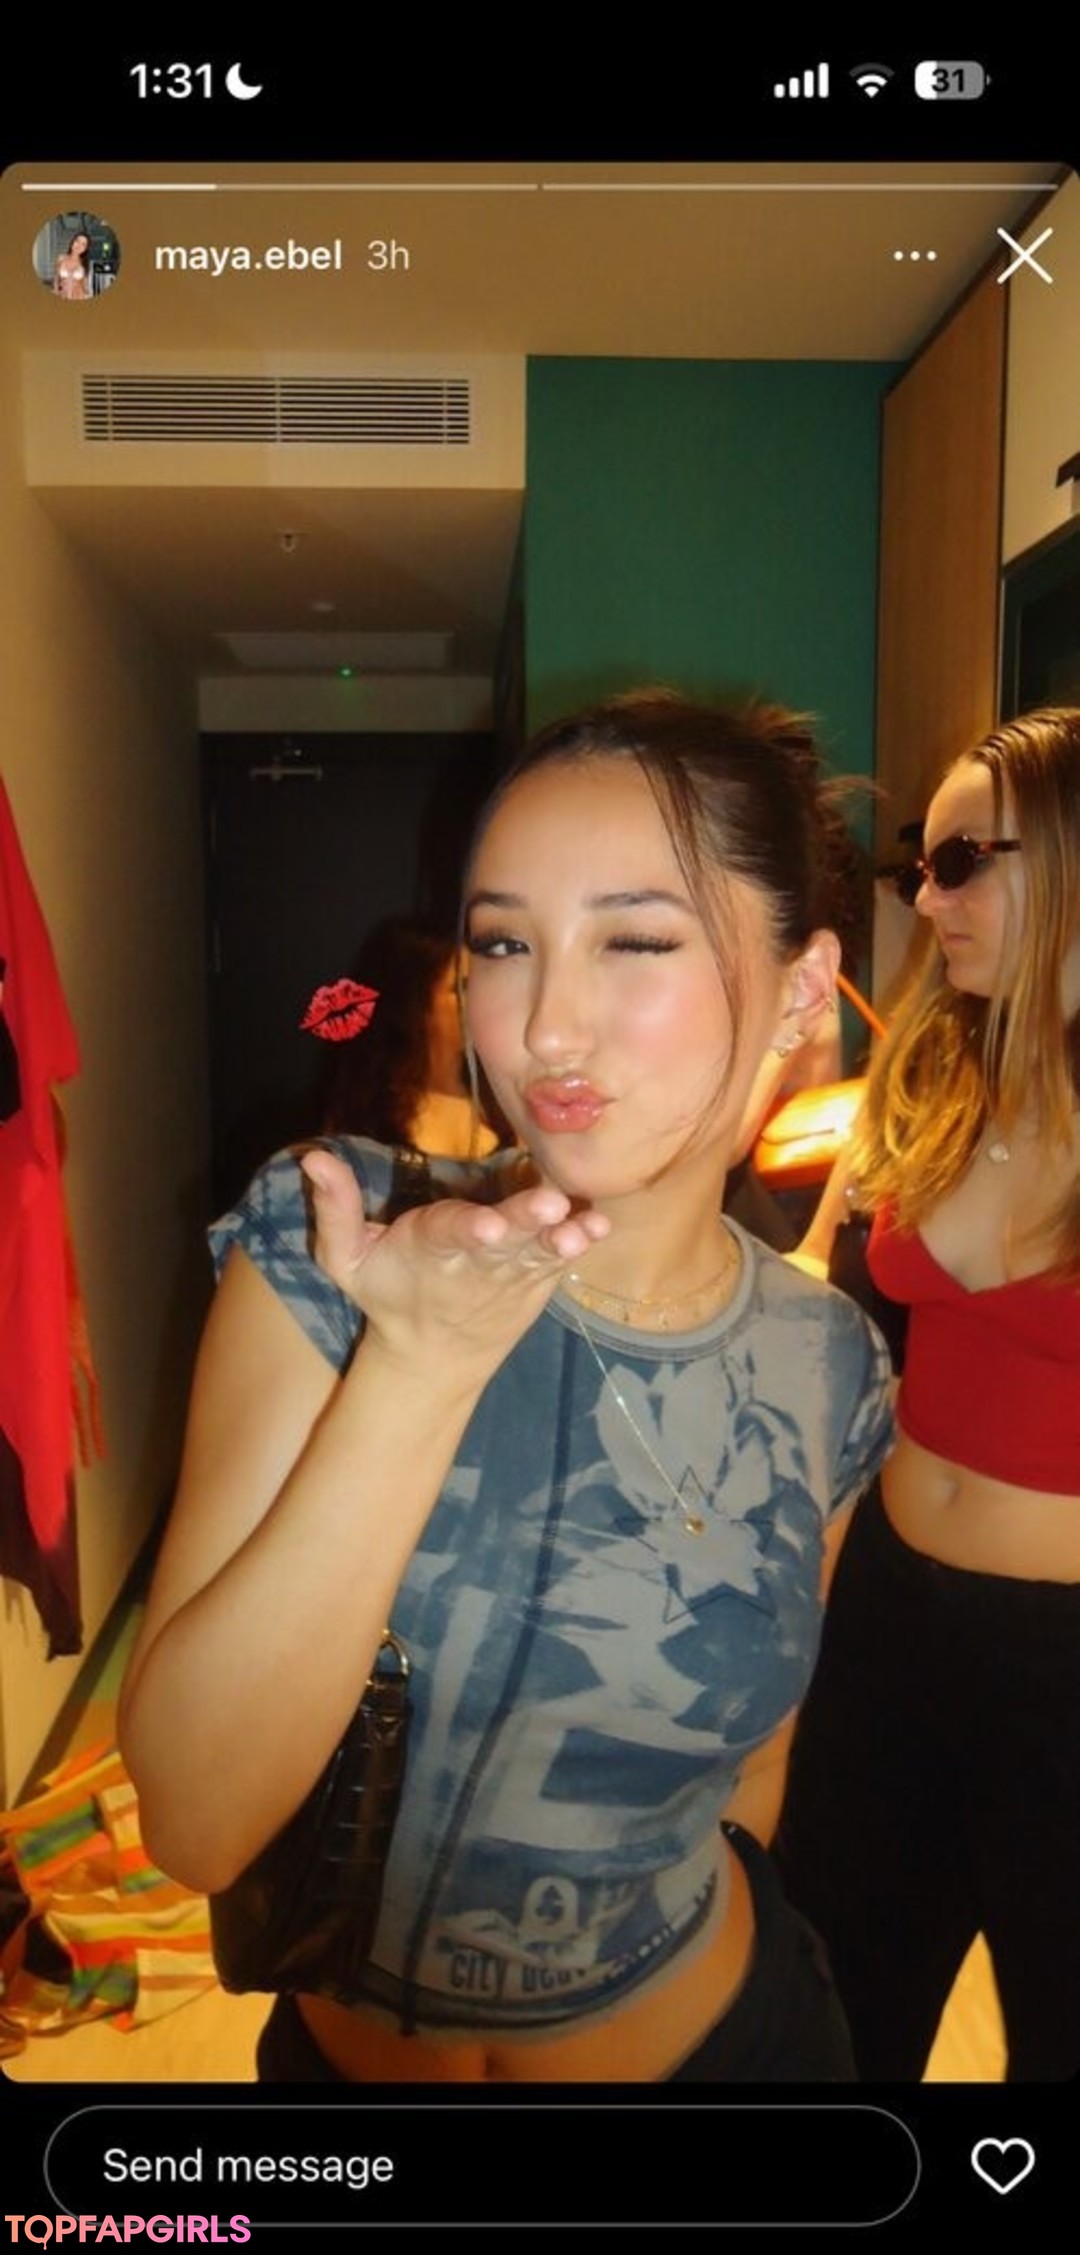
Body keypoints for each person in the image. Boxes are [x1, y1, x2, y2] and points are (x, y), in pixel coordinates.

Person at [118, 688, 894, 2085]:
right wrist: (417, 1365)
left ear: (799, 986)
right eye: (502, 943)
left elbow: (751, 1772)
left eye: (635, 939)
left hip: (721, 2044)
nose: (544, 1026)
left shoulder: (826, 1361)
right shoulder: (339, 1238)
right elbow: (196, 1820)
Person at [776, 706, 1080, 2083]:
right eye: (920, 865)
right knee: (838, 2000)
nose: (927, 897)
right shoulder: (930, 1071)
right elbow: (812, 1277)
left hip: (1064, 1663)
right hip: (889, 1616)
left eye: (962, 861)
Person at [315, 915, 502, 1161]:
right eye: (461, 988)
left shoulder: (502, 1099)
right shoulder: (370, 1120)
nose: (482, 999)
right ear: (412, 1004)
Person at [53, 232, 90, 299]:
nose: (79, 245)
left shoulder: (84, 264)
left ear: (85, 249)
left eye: (83, 244)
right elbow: (56, 279)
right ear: (72, 242)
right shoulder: (61, 259)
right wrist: (56, 291)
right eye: (77, 241)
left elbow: (84, 286)